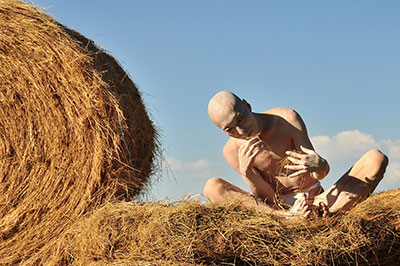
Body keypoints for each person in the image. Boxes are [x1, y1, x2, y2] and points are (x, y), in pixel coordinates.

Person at [203, 91, 389, 218]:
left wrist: (321, 165)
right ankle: (291, 220)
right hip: (279, 212)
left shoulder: (286, 120)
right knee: (212, 187)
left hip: (320, 200)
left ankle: (329, 216)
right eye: (230, 129)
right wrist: (247, 172)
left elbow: (318, 174)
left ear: (247, 105)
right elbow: (266, 198)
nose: (241, 131)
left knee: (376, 158)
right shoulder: (231, 151)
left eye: (241, 119)